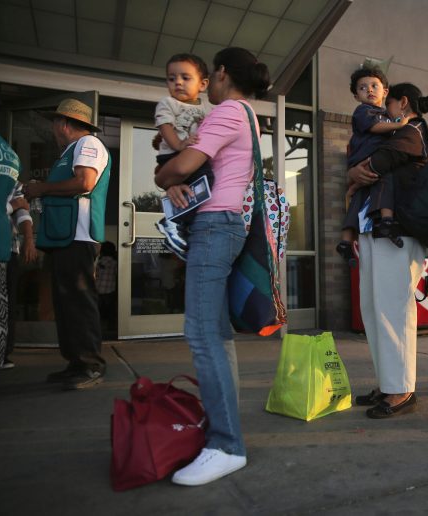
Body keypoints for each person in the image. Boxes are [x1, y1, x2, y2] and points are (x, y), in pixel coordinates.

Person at [155, 47, 270, 485]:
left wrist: (163, 177)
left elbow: (180, 166)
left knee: (202, 334)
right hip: (228, 223)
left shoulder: (226, 112)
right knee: (216, 335)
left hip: (215, 225)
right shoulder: (248, 115)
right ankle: (224, 434)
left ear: (219, 74)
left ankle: (225, 444)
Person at [347, 83, 428, 419]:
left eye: (389, 102)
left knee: (392, 311)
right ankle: (388, 383)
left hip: (398, 233)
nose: (386, 110)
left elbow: (379, 163)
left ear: (403, 102)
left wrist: (355, 173)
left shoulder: (413, 130)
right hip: (376, 231)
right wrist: (354, 172)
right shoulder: (397, 132)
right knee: (373, 309)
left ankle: (401, 388)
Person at [24, 99, 111, 390]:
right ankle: (76, 363)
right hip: (65, 237)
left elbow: (84, 182)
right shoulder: (69, 151)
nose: (53, 130)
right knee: (65, 303)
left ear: (62, 123)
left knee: (78, 301)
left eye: (54, 124)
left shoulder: (88, 144)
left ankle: (91, 366)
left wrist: (41, 188)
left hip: (79, 236)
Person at [336, 67, 410, 266]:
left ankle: (345, 241)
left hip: (366, 160)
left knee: (357, 198)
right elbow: (375, 127)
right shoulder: (364, 111)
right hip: (367, 158)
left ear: (385, 91)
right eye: (362, 87)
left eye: (374, 85)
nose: (369, 89)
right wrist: (400, 125)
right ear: (356, 96)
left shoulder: (385, 114)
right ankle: (387, 221)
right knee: (385, 179)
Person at [154, 53, 213, 261]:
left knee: (195, 190)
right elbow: (165, 127)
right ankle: (171, 222)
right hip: (172, 155)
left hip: (190, 154)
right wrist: (179, 144)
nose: (177, 82)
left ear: (203, 84)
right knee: (208, 181)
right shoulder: (167, 102)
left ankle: (180, 226)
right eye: (172, 78)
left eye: (185, 78)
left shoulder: (208, 108)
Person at [0, 182, 38, 370]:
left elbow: (22, 212)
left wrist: (29, 240)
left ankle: (3, 353)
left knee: (7, 303)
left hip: (8, 249)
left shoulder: (13, 180)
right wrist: (13, 206)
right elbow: (16, 206)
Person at [0, 134, 20, 370]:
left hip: (5, 242)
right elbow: (18, 203)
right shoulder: (11, 156)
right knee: (1, 305)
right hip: (2, 242)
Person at [95, 241, 117, 336]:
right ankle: (112, 327)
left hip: (98, 289)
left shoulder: (99, 261)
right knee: (111, 310)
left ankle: (96, 327)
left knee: (97, 310)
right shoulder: (115, 262)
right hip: (110, 289)